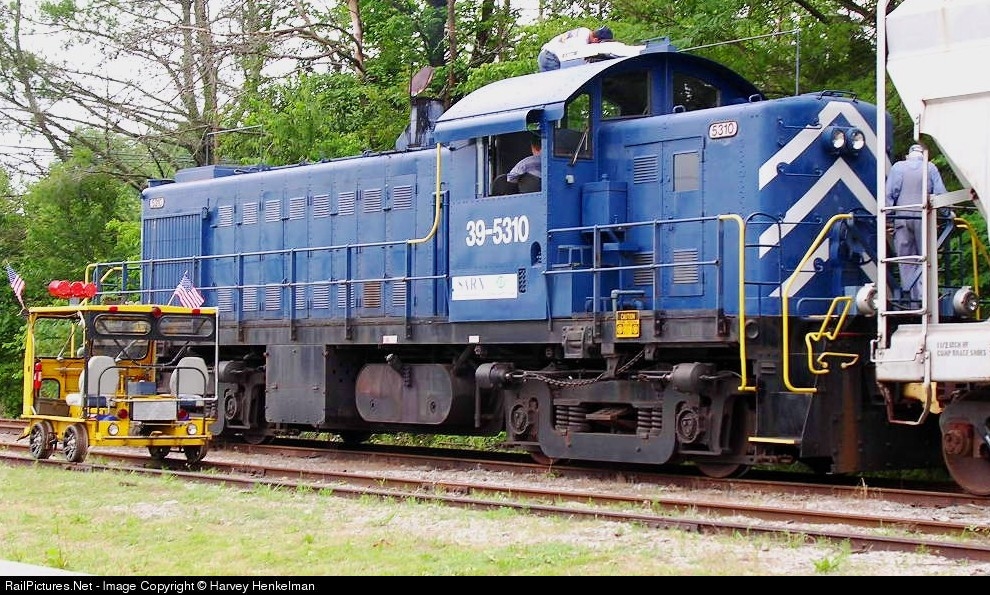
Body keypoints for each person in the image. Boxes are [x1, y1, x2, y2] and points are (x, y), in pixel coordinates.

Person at [885, 143, 947, 302]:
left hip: (902, 220)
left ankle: (911, 299)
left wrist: (889, 219)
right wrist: (948, 214)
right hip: (923, 218)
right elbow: (940, 194)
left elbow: (889, 195)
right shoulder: (930, 167)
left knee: (906, 260)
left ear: (908, 155)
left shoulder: (898, 167)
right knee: (925, 258)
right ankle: (925, 299)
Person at [538, 26, 613, 72]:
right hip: (550, 56)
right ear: (596, 40)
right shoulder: (581, 42)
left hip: (548, 54)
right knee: (556, 86)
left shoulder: (584, 31)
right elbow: (577, 60)